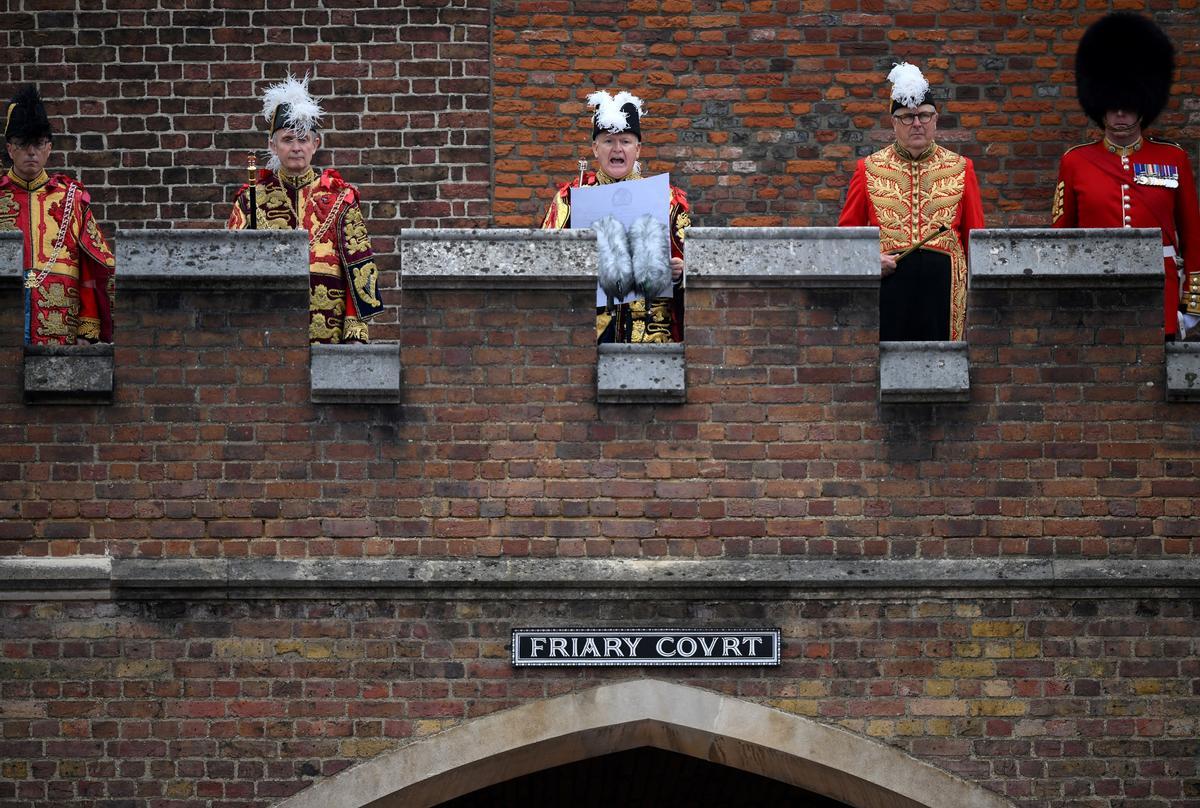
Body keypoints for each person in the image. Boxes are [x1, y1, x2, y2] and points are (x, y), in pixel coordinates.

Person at [1051, 12, 1200, 339]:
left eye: (1128, 105)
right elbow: (1062, 241)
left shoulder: (1173, 159)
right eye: (1112, 104)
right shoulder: (1075, 162)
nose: (1120, 112)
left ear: (1143, 104)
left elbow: (1192, 237)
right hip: (1095, 296)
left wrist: (1193, 303)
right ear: (1099, 104)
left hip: (1161, 297)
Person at [227, 75, 382, 344]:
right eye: (287, 139)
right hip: (268, 335)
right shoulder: (250, 200)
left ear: (315, 144)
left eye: (303, 139)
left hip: (331, 336)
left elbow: (360, 269)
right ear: (272, 146)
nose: (296, 147)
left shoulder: (341, 197)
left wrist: (356, 334)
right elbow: (231, 267)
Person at [838, 63, 984, 341]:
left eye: (925, 116)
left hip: (946, 291)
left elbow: (974, 238)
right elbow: (848, 238)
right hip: (889, 291)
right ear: (894, 123)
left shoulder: (962, 167)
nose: (917, 124)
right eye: (907, 117)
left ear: (936, 119)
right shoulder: (867, 168)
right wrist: (869, 262)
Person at [541, 90, 691, 343]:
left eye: (626, 141)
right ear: (595, 148)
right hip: (586, 330)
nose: (617, 148)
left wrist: (680, 273)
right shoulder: (570, 198)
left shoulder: (670, 200)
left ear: (638, 149)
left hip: (652, 331)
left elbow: (694, 268)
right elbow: (545, 259)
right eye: (608, 141)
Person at [1, 85, 115, 346]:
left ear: (49, 148)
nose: (32, 152)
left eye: (38, 144)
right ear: (10, 149)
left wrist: (88, 329)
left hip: (61, 326)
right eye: (24, 144)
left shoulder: (71, 198)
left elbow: (91, 268)